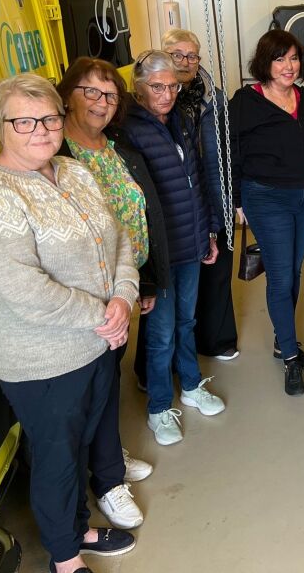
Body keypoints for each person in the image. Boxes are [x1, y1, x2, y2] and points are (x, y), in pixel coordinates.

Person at [0, 74, 138, 573]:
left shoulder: (73, 171)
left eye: (50, 118)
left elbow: (116, 237)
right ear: (2, 126)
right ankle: (65, 558)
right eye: (24, 121)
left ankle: (78, 527)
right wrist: (103, 315)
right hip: (43, 359)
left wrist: (123, 297)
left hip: (98, 343)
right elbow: (21, 288)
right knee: (57, 460)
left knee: (81, 446)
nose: (40, 130)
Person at [57, 58, 166, 529]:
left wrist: (143, 281)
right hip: (87, 295)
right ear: (67, 96)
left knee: (108, 380)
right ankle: (106, 481)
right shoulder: (57, 153)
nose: (102, 103)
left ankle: (108, 458)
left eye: (109, 95)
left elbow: (142, 212)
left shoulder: (113, 146)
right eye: (91, 93)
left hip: (124, 283)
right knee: (90, 388)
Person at [123, 50, 225, 446]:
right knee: (161, 332)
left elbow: (195, 180)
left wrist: (209, 234)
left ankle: (192, 385)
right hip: (160, 251)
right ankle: (159, 407)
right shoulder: (131, 128)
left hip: (190, 244)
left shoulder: (180, 119)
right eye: (157, 87)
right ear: (140, 87)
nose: (166, 94)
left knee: (187, 322)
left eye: (172, 86)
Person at [230, 30, 304, 395]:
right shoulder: (245, 101)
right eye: (280, 58)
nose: (289, 66)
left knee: (293, 272)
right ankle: (289, 358)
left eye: (294, 58)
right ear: (265, 62)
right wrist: (237, 201)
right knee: (281, 278)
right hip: (266, 198)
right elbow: (232, 151)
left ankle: (284, 339)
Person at [163, 28, 240, 362]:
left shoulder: (215, 98)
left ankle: (219, 340)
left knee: (218, 268)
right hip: (176, 199)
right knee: (177, 280)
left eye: (192, 55)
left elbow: (230, 150)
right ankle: (169, 356)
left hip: (214, 190)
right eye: (178, 54)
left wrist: (234, 198)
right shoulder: (157, 99)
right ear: (165, 56)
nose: (186, 62)